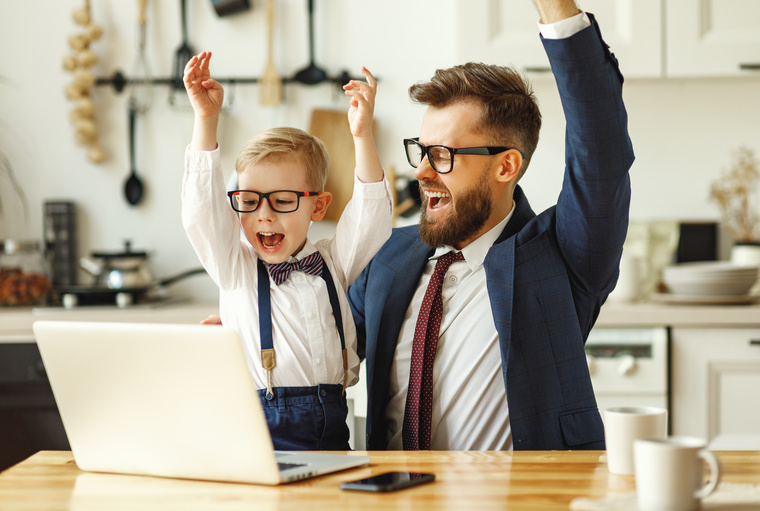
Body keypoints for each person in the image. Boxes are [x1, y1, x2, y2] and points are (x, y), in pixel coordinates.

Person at [347, 0, 634, 451]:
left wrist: (556, 9)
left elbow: (601, 150)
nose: (421, 171)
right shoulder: (385, 255)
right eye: (420, 151)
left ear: (506, 167)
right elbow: (325, 347)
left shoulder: (561, 258)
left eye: (442, 155)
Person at [181, 51, 392, 450]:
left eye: (281, 200)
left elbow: (371, 216)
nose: (263, 216)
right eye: (249, 200)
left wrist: (362, 137)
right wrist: (206, 120)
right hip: (258, 433)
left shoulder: (333, 260)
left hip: (333, 429)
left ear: (318, 205)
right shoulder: (235, 267)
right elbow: (200, 212)